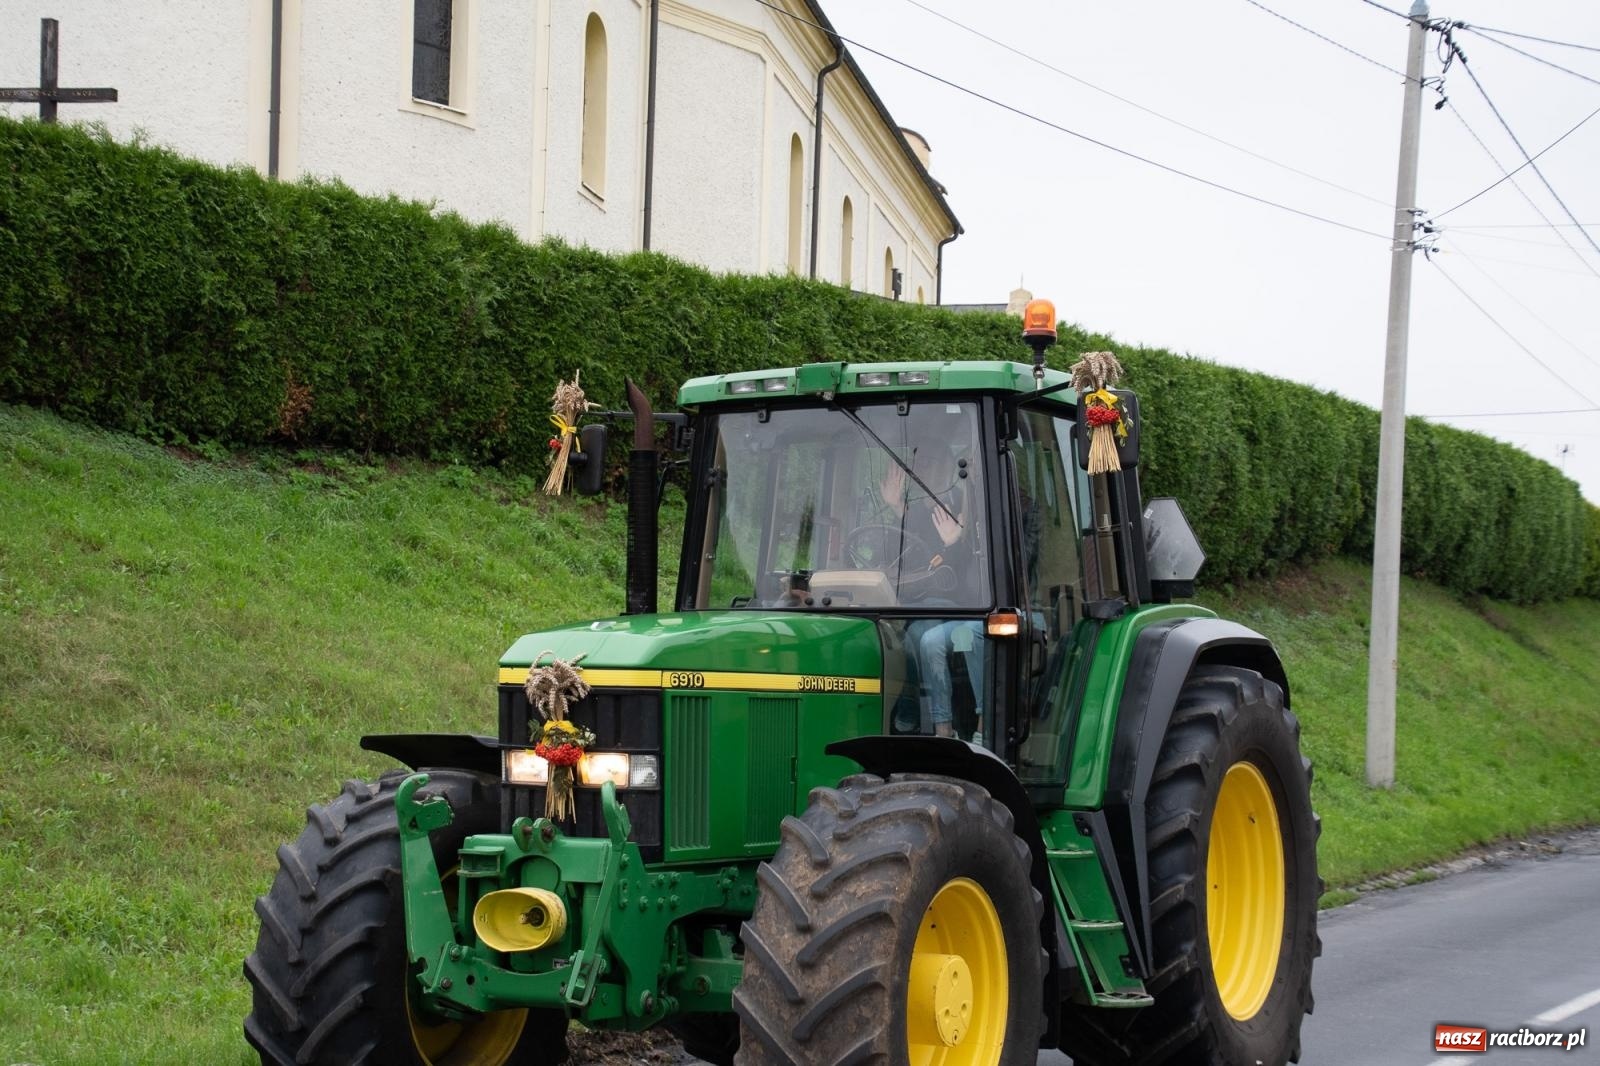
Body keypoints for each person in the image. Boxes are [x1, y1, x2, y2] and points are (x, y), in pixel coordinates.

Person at [878, 444, 986, 742]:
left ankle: (919, 714)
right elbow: (902, 555)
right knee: (886, 635)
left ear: (949, 466)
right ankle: (912, 718)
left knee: (919, 635)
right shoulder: (916, 511)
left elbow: (970, 570)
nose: (923, 467)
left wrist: (954, 544)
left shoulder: (964, 503)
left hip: (957, 609)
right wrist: (897, 509)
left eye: (930, 460)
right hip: (913, 604)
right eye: (919, 461)